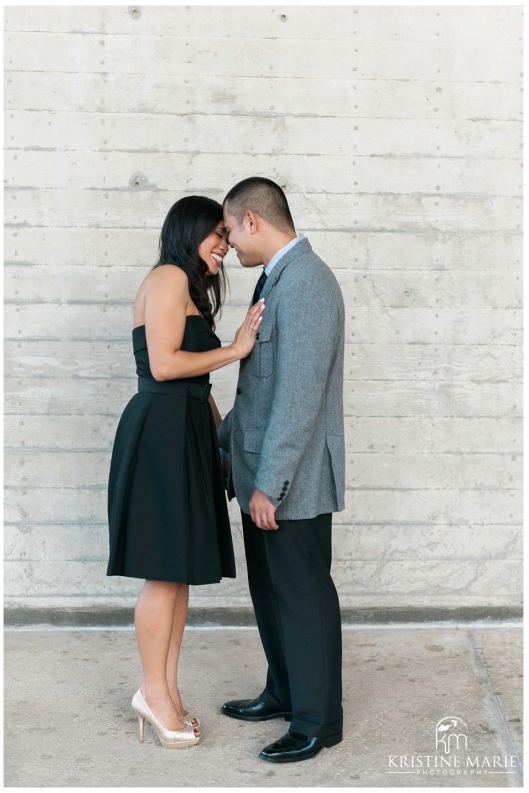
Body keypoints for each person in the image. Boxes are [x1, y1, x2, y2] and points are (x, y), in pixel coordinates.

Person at [107, 195, 265, 750]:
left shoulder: (184, 282)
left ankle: (166, 693)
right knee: (162, 572)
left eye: (228, 234)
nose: (225, 243)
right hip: (160, 432)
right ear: (187, 232)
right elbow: (165, 365)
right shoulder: (171, 276)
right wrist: (236, 348)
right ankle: (152, 692)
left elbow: (193, 384)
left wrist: (219, 442)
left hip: (185, 429)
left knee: (177, 573)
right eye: (216, 233)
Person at [218, 177, 345, 763]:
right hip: (258, 475)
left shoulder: (309, 283)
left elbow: (298, 396)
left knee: (303, 595)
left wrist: (272, 482)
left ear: (252, 220)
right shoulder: (276, 279)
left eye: (230, 229)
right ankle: (285, 691)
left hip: (287, 483)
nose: (229, 245)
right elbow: (258, 388)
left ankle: (319, 721)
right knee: (272, 595)